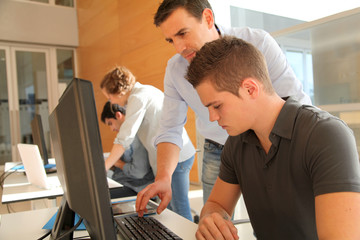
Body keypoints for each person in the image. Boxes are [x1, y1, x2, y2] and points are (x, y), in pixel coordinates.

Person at [136, 0, 312, 215]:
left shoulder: (257, 42)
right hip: (218, 147)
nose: (179, 48)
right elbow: (170, 128)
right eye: (171, 40)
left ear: (208, 18)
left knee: (274, 215)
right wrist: (164, 177)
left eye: (183, 33)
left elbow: (293, 101)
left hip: (269, 143)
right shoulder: (175, 70)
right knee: (213, 219)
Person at [186, 36, 360, 239]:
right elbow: (216, 204)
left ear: (250, 89)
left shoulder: (326, 136)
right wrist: (211, 218)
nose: (212, 117)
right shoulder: (236, 142)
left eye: (216, 106)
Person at [100, 66, 196, 221]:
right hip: (170, 157)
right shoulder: (142, 93)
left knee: (179, 209)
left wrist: (102, 168)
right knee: (170, 210)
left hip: (176, 158)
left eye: (110, 97)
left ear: (119, 91)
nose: (111, 102)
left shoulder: (139, 97)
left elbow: (125, 137)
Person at [100, 101, 154, 193]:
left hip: (135, 186)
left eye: (110, 123)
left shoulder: (136, 137)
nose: (112, 129)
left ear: (118, 115)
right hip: (122, 181)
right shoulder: (124, 137)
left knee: (96, 196)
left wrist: (118, 163)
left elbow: (139, 172)